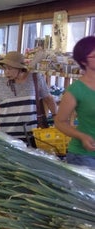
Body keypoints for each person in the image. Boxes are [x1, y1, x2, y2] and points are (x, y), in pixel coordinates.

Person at [0, 51, 57, 144]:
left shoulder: (35, 79)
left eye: (9, 69)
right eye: (4, 69)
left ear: (20, 68)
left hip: (32, 137)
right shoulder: (0, 83)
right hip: (7, 138)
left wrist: (56, 116)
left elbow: (48, 98)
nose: (6, 72)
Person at [55, 36, 95, 168]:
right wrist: (81, 136)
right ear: (83, 61)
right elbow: (60, 121)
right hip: (84, 156)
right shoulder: (76, 90)